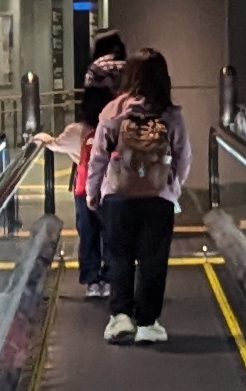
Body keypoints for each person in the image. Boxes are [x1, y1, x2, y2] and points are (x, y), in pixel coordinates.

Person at [86, 47, 192, 344]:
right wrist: (172, 188)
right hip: (158, 197)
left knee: (118, 255)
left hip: (117, 195)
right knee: (153, 259)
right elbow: (183, 156)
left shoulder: (113, 110)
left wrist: (93, 192)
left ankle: (121, 317)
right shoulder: (171, 114)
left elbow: (98, 156)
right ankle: (147, 323)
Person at [72, 29, 129, 297]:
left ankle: (92, 280)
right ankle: (112, 277)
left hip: (91, 156)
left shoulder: (95, 69)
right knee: (114, 227)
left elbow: (88, 109)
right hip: (120, 162)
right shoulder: (130, 71)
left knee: (88, 226)